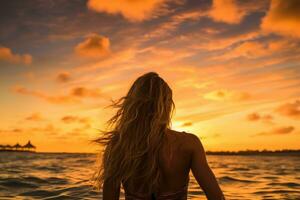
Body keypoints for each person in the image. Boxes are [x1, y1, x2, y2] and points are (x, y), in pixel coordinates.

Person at [94, 72, 225, 200]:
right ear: (167, 105)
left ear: (132, 105)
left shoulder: (117, 147)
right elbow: (217, 197)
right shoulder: (189, 144)